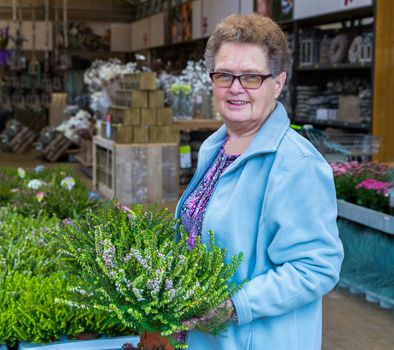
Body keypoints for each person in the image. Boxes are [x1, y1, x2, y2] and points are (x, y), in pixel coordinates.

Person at [175, 13, 344, 350]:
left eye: (252, 76)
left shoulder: (295, 164)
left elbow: (316, 266)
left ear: (277, 84)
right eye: (225, 75)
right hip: (207, 339)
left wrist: (234, 306)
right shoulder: (216, 146)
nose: (235, 88)